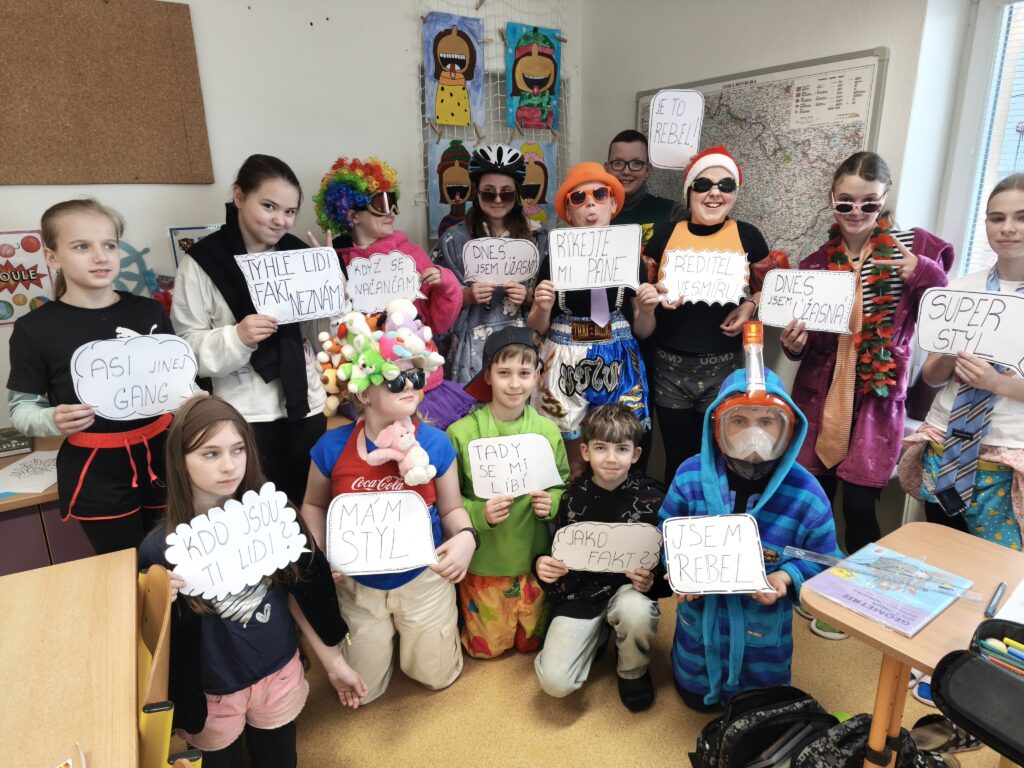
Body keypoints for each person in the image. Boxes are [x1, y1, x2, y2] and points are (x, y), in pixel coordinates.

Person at [138, 396, 367, 767]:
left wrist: (334, 663)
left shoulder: (276, 517)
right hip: (213, 696)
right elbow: (154, 640)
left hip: (279, 674)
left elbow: (302, 594)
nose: (229, 465)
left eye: (238, 449)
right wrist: (160, 595)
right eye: (210, 454)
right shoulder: (160, 548)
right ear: (180, 459)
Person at [780, 152, 953, 586]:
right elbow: (809, 339)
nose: (856, 212)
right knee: (815, 502)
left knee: (860, 507)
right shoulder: (816, 263)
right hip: (820, 397)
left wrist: (924, 273)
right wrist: (794, 346)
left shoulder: (913, 250)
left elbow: (947, 313)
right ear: (832, 199)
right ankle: (813, 586)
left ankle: (862, 595)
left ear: (885, 198)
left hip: (877, 398)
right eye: (845, 203)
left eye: (869, 203)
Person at [659, 321, 840, 711]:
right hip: (699, 635)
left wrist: (785, 577)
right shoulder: (690, 476)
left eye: (766, 422)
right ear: (718, 426)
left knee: (760, 707)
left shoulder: (806, 494)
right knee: (693, 698)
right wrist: (677, 567)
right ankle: (699, 682)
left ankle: (754, 693)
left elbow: (826, 560)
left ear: (787, 429)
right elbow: (665, 533)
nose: (752, 434)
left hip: (763, 641)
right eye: (739, 421)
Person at [300, 314, 478, 704]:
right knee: (363, 691)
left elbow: (452, 509)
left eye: (415, 376)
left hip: (424, 577)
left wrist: (467, 538)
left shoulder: (435, 444)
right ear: (364, 393)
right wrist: (319, 554)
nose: (409, 385)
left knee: (437, 677)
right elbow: (313, 504)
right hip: (357, 584)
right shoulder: (331, 448)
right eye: (395, 379)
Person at [7, 199, 176, 554]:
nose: (101, 257)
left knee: (175, 560)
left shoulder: (149, 312)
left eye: (109, 245)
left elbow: (176, 379)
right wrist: (52, 419)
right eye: (82, 246)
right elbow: (22, 409)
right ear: (52, 257)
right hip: (96, 472)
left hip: (164, 457)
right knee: (125, 568)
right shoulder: (34, 329)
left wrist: (192, 398)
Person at [172, 154, 328, 506]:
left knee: (306, 505)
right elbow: (185, 348)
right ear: (239, 196)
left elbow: (324, 338)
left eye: (290, 211)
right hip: (242, 414)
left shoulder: (300, 255)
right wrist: (237, 337)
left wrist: (335, 297)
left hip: (306, 406)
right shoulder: (202, 262)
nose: (280, 220)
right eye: (269, 206)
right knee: (253, 510)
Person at [898, 173, 1024, 551]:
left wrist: (997, 383)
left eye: (1021, 217)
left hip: (1005, 456)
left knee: (997, 565)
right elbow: (932, 376)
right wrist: (951, 352)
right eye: (997, 218)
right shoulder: (960, 290)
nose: (1008, 228)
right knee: (940, 555)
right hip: (946, 445)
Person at [644, 146, 770, 487]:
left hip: (724, 368)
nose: (715, 192)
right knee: (677, 460)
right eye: (703, 184)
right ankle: (676, 518)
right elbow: (643, 287)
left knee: (718, 458)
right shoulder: (665, 234)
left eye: (725, 185)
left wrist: (751, 305)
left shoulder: (748, 236)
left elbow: (773, 289)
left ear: (735, 193)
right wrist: (655, 295)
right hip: (670, 368)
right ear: (689, 191)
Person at [316, 156, 473, 429]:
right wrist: (327, 274)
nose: (392, 212)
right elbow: (332, 334)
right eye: (381, 204)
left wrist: (446, 283)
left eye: (393, 202)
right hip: (369, 387)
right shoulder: (337, 261)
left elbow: (439, 324)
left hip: (417, 383)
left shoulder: (411, 255)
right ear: (352, 215)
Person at [528, 161, 661, 478]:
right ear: (567, 212)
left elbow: (644, 331)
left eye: (599, 195)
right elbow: (537, 326)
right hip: (564, 356)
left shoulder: (630, 257)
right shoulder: (554, 257)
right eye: (579, 198)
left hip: (618, 355)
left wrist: (647, 310)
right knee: (573, 461)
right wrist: (543, 306)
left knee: (615, 456)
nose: (590, 204)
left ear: (613, 204)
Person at [533, 403, 669, 711]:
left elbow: (664, 568)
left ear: (635, 454)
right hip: (582, 593)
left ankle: (632, 670)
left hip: (629, 591)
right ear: (585, 451)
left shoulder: (654, 499)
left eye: (621, 449)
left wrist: (652, 583)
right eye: (600, 448)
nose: (610, 458)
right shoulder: (572, 498)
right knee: (555, 683)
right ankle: (597, 635)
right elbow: (561, 552)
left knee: (636, 612)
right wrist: (541, 565)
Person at [447, 327, 569, 658]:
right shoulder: (461, 434)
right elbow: (448, 502)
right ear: (487, 375)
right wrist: (479, 513)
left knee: (531, 644)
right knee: (485, 650)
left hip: (533, 560)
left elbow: (563, 486)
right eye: (504, 373)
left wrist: (553, 502)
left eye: (524, 373)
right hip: (486, 562)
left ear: (537, 376)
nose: (515, 384)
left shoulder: (547, 431)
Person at [435, 144, 548, 385]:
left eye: (506, 193)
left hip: (524, 347)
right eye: (488, 193)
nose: (497, 200)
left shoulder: (538, 238)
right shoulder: (454, 240)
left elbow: (553, 300)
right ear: (476, 192)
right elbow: (434, 302)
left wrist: (529, 297)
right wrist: (465, 296)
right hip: (471, 352)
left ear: (517, 194)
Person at [604, 129, 675, 252]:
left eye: (636, 163)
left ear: (647, 169)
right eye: (618, 163)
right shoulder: (589, 212)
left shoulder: (671, 212)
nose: (626, 171)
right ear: (607, 168)